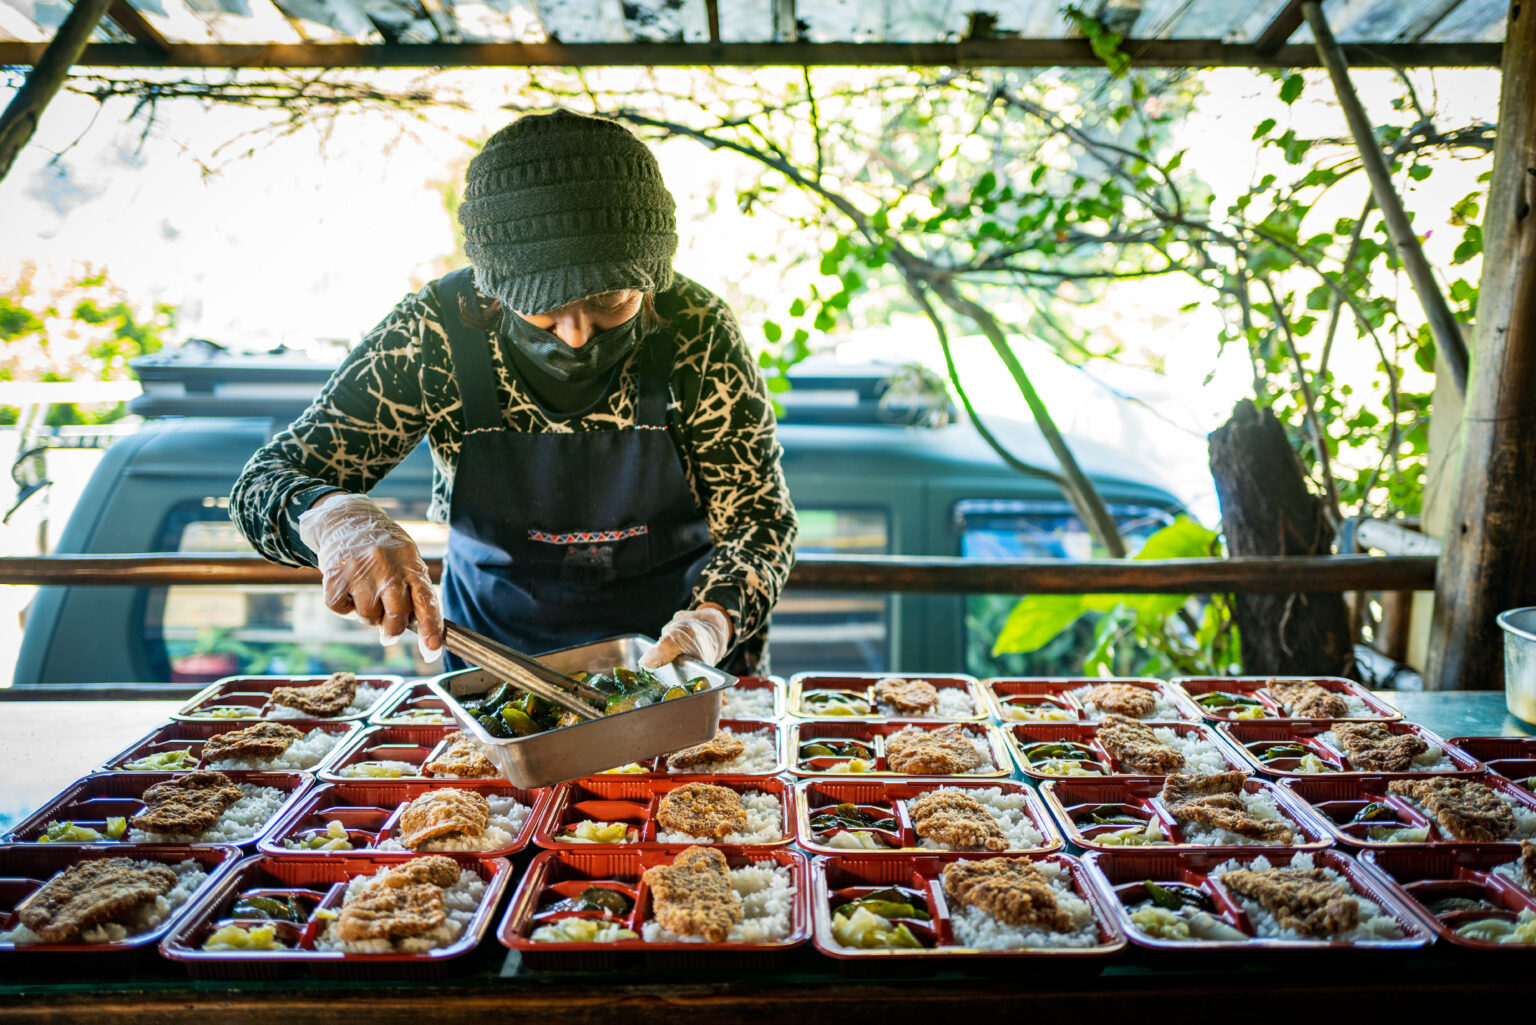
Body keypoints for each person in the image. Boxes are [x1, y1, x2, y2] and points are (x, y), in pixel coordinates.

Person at [230, 109, 798, 675]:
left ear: (652, 279)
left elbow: (759, 520)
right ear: (495, 289)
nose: (577, 336)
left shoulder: (696, 330)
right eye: (545, 307)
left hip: (679, 665)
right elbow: (262, 482)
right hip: (498, 662)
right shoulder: (437, 334)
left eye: (611, 301)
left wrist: (715, 619)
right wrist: (333, 519)